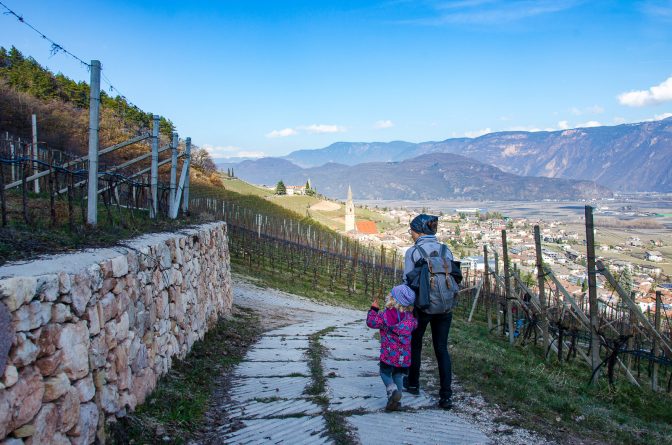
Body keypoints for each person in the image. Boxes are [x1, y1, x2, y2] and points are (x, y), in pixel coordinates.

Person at [403, 214, 456, 410]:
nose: (411, 235)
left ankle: (413, 383)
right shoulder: (445, 250)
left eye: (412, 231)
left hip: (422, 306)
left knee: (415, 343)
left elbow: (407, 281)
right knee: (441, 349)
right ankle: (446, 396)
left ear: (418, 231)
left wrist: (406, 306)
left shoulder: (413, 252)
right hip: (444, 306)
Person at [366, 284, 418, 411]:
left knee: (384, 373)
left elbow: (371, 322)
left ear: (393, 299)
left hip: (389, 355)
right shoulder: (410, 319)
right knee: (398, 375)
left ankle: (392, 389)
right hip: (403, 357)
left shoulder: (384, 316)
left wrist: (373, 310)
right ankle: (396, 399)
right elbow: (415, 325)